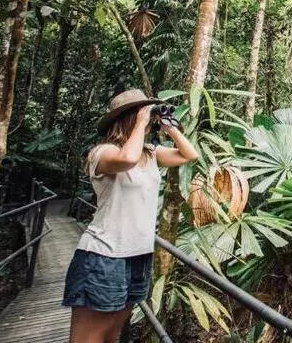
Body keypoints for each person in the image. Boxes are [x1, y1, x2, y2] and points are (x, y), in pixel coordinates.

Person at [62, 89, 198, 343]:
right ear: (128, 118)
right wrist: (142, 122)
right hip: (103, 255)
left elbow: (190, 155)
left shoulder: (150, 152)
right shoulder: (101, 153)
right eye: (141, 112)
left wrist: (169, 127)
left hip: (137, 255)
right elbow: (126, 159)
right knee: (89, 337)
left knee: (112, 335)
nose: (146, 119)